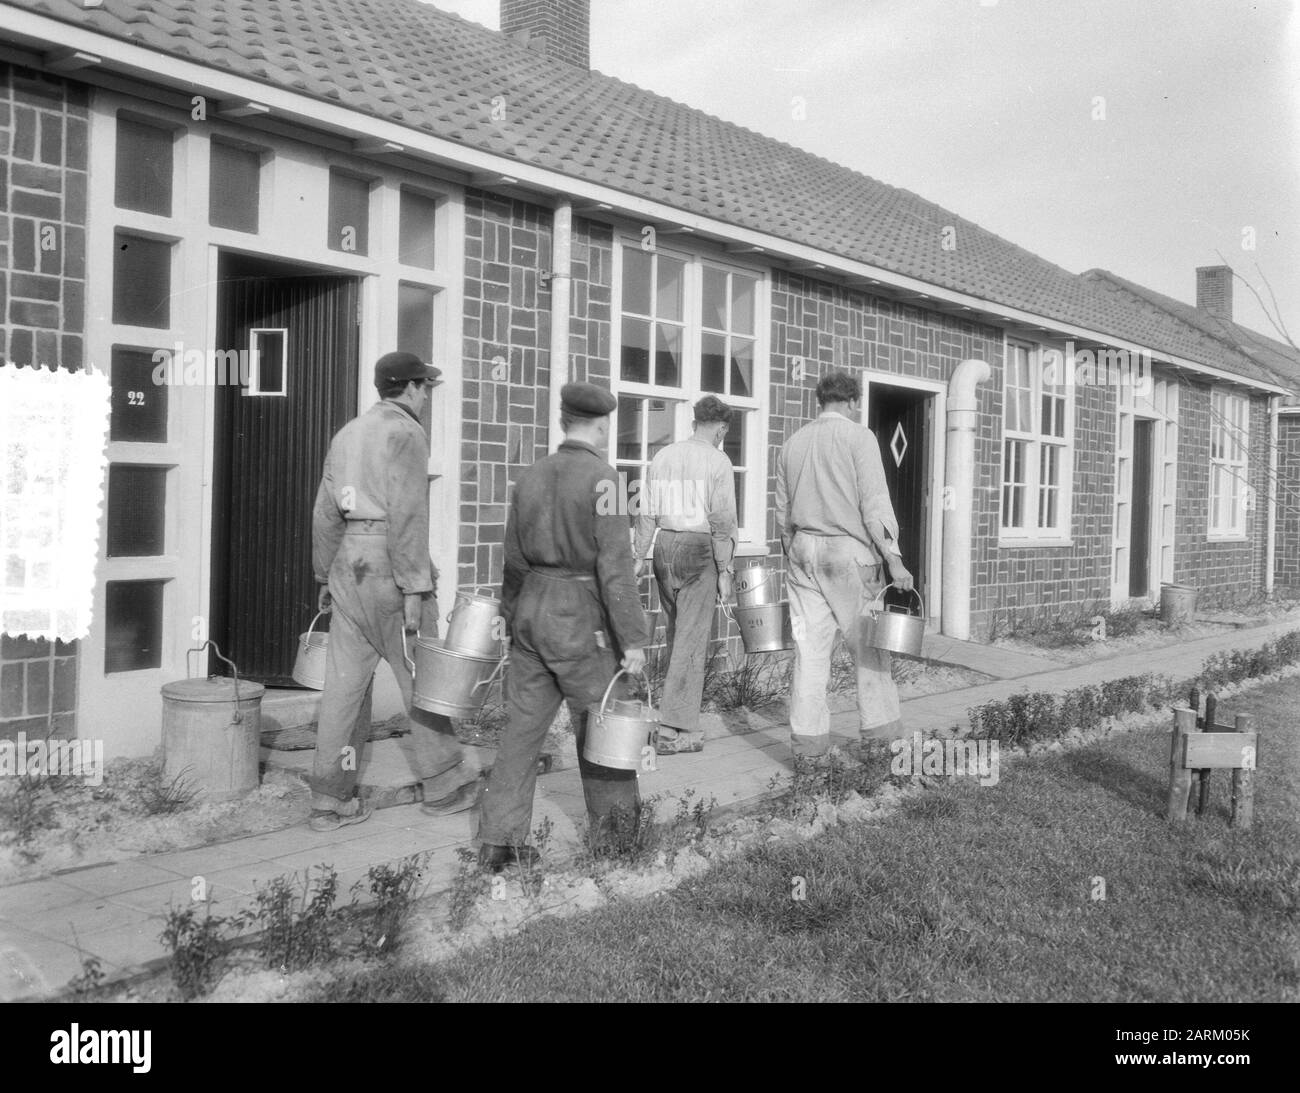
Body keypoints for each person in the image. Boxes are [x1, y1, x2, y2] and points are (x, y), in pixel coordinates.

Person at [477, 382, 649, 871]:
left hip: (531, 609)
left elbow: (511, 560)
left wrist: (512, 618)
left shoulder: (529, 476)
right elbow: (616, 566)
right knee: (602, 722)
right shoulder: (609, 481)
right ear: (601, 426)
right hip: (580, 616)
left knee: (520, 732)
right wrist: (633, 638)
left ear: (563, 422)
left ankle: (499, 843)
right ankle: (617, 843)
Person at [307, 351, 477, 832]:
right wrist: (414, 587)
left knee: (343, 687)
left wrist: (325, 575)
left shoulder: (348, 433)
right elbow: (407, 513)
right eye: (426, 387)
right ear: (411, 388)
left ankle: (328, 799)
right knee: (424, 680)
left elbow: (324, 510)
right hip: (389, 562)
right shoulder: (406, 433)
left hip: (348, 564)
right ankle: (444, 787)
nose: (427, 397)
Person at [775, 369, 914, 761]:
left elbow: (782, 512)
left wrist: (795, 550)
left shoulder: (792, 443)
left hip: (803, 552)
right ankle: (882, 739)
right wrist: (895, 561)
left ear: (820, 400)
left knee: (810, 652)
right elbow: (875, 505)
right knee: (869, 649)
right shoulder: (860, 437)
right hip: (850, 555)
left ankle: (808, 749)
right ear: (853, 402)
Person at [632, 395, 737, 755]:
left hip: (664, 546)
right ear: (721, 428)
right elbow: (723, 522)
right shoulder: (719, 461)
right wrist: (725, 570)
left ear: (695, 422)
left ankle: (674, 722)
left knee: (677, 633)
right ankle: (674, 730)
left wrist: (639, 555)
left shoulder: (663, 455)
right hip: (698, 547)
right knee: (692, 640)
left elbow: (646, 511)